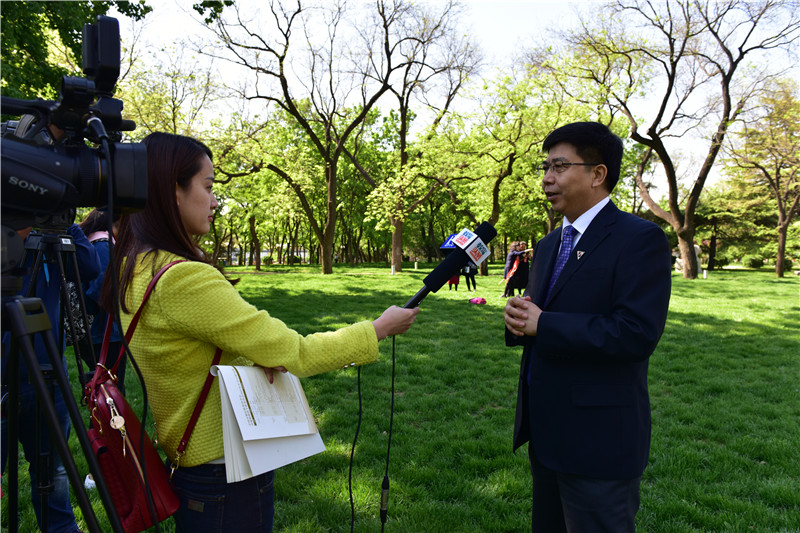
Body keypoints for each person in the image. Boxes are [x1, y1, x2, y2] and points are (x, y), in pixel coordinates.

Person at [100, 132, 419, 533]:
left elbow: (186, 352)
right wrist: (378, 329)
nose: (215, 201)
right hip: (225, 476)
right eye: (208, 187)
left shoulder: (135, 265)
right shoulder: (183, 279)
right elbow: (297, 352)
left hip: (191, 468)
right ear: (172, 191)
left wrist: (252, 357)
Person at [503, 122, 671, 532]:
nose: (547, 178)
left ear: (598, 174)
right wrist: (519, 320)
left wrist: (544, 324)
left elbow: (635, 333)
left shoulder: (639, 239)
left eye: (560, 166)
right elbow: (543, 316)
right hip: (546, 436)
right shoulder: (548, 245)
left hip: (599, 443)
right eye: (545, 167)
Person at [2, 222, 101, 533]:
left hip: (48, 378)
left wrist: (61, 222)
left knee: (53, 473)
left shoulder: (54, 231)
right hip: (4, 375)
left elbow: (89, 267)